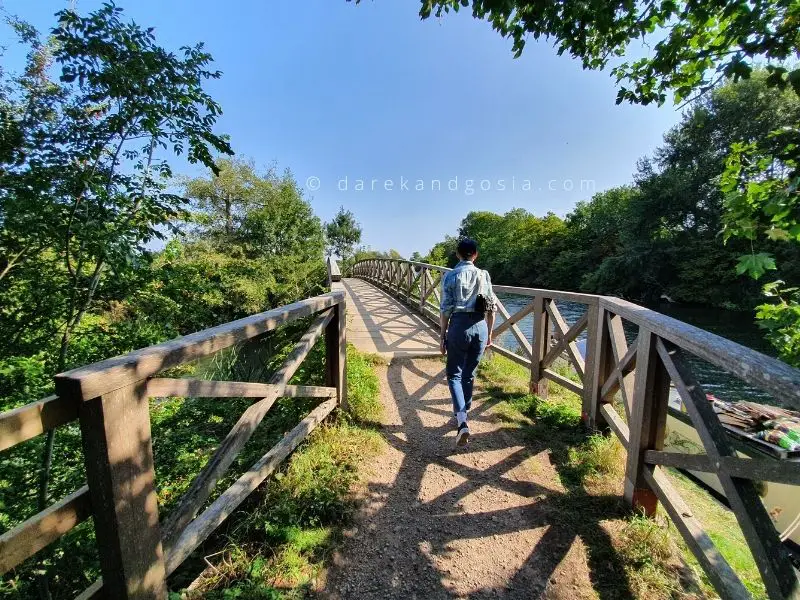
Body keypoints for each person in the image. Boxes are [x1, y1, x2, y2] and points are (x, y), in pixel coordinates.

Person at [439, 238, 497, 446]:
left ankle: (462, 420)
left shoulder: (450, 276)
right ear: (476, 255)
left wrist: (442, 335)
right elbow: (492, 308)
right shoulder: (484, 275)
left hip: (459, 326)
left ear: (457, 254)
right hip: (480, 326)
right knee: (469, 373)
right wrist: (489, 334)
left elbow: (445, 309)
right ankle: (465, 411)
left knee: (453, 373)